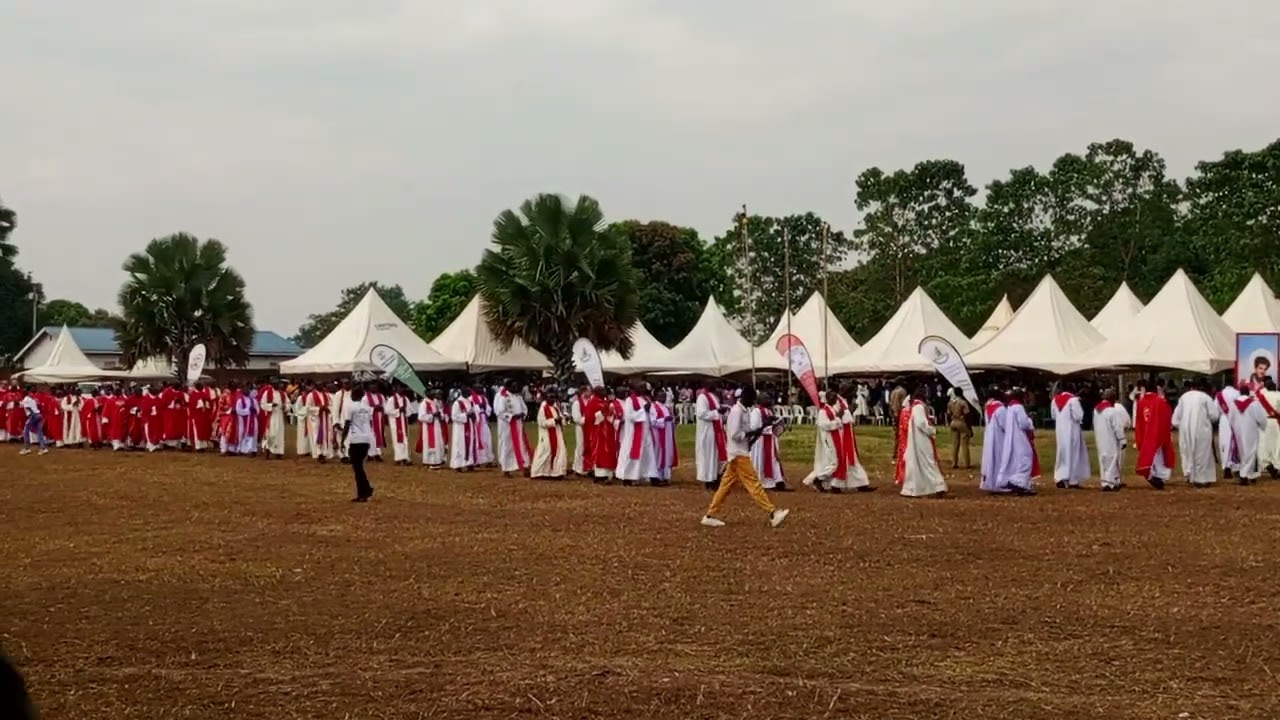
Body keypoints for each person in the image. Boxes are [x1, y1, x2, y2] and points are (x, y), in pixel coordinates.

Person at [700, 386, 790, 528]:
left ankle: (709, 515)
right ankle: (772, 512)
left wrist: (763, 426)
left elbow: (748, 432)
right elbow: (735, 434)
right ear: (745, 398)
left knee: (725, 486)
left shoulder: (744, 410)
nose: (753, 403)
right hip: (738, 454)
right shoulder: (736, 412)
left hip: (738, 453)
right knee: (753, 483)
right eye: (752, 400)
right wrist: (753, 432)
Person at [896, 385, 948, 498]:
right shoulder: (918, 406)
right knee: (928, 462)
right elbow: (921, 423)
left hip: (916, 439)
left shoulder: (915, 406)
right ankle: (938, 487)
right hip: (921, 439)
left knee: (916, 463)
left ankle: (913, 488)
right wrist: (932, 430)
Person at [1171, 378, 1220, 487]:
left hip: (1185, 429)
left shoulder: (1183, 397)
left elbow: (1175, 419)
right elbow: (1214, 415)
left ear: (1191, 387)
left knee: (1187, 452)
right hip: (1202, 429)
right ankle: (1200, 478)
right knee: (1202, 453)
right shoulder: (1205, 397)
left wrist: (1182, 426)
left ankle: (1189, 474)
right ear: (1201, 387)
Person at [995, 388, 1038, 495]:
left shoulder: (1010, 407)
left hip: (1012, 437)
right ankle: (1019, 482)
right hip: (1020, 437)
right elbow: (1023, 423)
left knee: (1017, 459)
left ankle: (1021, 483)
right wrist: (1030, 421)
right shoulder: (1018, 407)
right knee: (1026, 458)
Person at [1134, 379, 1175, 490]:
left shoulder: (1141, 402)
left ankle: (1151, 474)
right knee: (1160, 455)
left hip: (1146, 432)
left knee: (1149, 454)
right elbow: (1167, 415)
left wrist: (1139, 434)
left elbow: (1138, 420)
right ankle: (1159, 476)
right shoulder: (1160, 401)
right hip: (1158, 432)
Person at [616, 380, 657, 487]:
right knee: (632, 453)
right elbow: (630, 416)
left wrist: (650, 413)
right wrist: (644, 410)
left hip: (646, 431)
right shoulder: (630, 400)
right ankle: (628, 477)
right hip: (634, 433)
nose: (644, 389)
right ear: (635, 389)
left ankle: (652, 476)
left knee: (648, 454)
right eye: (641, 387)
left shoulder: (646, 399)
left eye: (645, 387)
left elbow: (653, 413)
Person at [340, 384, 375, 502]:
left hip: (356, 439)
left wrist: (342, 440)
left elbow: (347, 424)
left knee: (357, 467)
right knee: (359, 466)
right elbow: (370, 422)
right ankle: (366, 489)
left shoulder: (351, 407)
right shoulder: (367, 407)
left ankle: (363, 492)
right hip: (366, 438)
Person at [1051, 383, 1090, 489]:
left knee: (1062, 454)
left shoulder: (1055, 400)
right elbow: (1079, 416)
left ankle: (1061, 477)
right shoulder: (1073, 400)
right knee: (1074, 454)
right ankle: (1073, 480)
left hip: (1060, 431)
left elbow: (1053, 415)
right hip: (1072, 430)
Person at [1230, 385, 1269, 486]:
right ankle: (1246, 475)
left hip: (1238, 429)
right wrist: (1263, 426)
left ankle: (1248, 474)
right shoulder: (1254, 403)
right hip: (1250, 429)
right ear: (1248, 393)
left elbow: (1230, 418)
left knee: (1241, 452)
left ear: (1240, 393)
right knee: (1251, 451)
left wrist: (1233, 427)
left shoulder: (1234, 403)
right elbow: (1262, 418)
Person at [694, 380, 728, 491]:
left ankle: (715, 477)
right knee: (708, 455)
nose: (716, 386)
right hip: (707, 431)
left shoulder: (713, 397)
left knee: (716, 455)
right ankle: (708, 479)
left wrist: (721, 412)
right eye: (713, 384)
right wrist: (717, 412)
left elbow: (717, 412)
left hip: (716, 430)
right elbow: (701, 413)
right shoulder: (702, 398)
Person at [1093, 389, 1130, 491]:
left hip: (1100, 438)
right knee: (1113, 459)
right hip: (1110, 438)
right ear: (1112, 399)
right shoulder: (1111, 411)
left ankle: (1105, 482)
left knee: (1103, 460)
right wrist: (1122, 440)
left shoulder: (1096, 410)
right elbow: (1117, 427)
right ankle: (1112, 483)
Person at [749, 394, 787, 491]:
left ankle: (778, 482)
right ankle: (763, 482)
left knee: (774, 460)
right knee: (762, 462)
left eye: (769, 398)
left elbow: (773, 428)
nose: (769, 400)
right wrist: (768, 423)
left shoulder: (769, 411)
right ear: (759, 400)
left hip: (770, 439)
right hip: (761, 441)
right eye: (766, 398)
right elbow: (754, 427)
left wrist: (780, 425)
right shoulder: (756, 411)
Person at [494, 380, 532, 478]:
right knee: (508, 446)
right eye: (514, 386)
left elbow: (524, 408)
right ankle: (506, 469)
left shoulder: (518, 397)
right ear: (508, 387)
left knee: (521, 444)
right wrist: (512, 416)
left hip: (518, 424)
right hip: (507, 426)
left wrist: (523, 414)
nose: (516, 388)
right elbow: (499, 412)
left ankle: (524, 465)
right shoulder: (503, 397)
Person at [531, 386, 567, 479]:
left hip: (557, 433)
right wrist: (554, 421)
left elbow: (561, 417)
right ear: (546, 397)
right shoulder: (543, 408)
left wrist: (562, 419)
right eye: (550, 397)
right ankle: (538, 472)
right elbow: (541, 422)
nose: (552, 399)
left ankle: (556, 472)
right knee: (545, 452)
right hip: (546, 434)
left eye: (554, 397)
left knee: (560, 451)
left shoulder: (555, 407)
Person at [586, 386, 616, 484]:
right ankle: (599, 476)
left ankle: (608, 474)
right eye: (602, 390)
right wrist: (602, 413)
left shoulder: (604, 401)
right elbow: (590, 417)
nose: (605, 392)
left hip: (608, 430)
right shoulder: (593, 402)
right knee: (600, 452)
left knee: (608, 451)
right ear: (597, 392)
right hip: (598, 431)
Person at [979, 388, 1007, 492]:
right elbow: (1005, 425)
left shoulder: (988, 407)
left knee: (990, 459)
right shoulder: (1000, 409)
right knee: (999, 459)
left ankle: (989, 482)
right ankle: (999, 483)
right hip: (999, 437)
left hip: (989, 436)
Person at [650, 391, 677, 486]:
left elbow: (672, 419)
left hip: (668, 434)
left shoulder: (666, 407)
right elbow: (652, 421)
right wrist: (664, 420)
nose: (663, 398)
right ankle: (657, 477)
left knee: (667, 455)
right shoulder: (654, 407)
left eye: (664, 397)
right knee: (659, 455)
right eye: (661, 396)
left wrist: (672, 420)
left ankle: (665, 476)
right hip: (658, 435)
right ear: (656, 396)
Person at [1255, 378, 1280, 477]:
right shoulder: (1278, 395)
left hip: (1264, 421)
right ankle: (1276, 465)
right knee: (1277, 444)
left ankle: (1267, 464)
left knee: (1264, 444)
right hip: (1276, 421)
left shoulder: (1262, 396)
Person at [383, 385, 413, 465]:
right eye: (400, 388)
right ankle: (398, 458)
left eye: (403, 388)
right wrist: (398, 410)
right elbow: (387, 411)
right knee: (397, 440)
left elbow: (410, 411)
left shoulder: (405, 399)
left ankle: (406, 458)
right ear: (396, 389)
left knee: (405, 439)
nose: (402, 389)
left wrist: (405, 410)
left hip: (404, 421)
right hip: (395, 422)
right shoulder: (391, 399)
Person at [416, 390, 447, 468]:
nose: (433, 394)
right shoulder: (423, 404)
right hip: (428, 427)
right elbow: (421, 417)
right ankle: (430, 461)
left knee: (439, 443)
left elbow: (441, 413)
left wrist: (440, 415)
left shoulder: (435, 403)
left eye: (434, 393)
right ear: (426, 394)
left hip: (437, 425)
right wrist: (432, 415)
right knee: (431, 444)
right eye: (431, 393)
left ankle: (438, 460)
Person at [258, 381, 288, 459]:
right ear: (273, 385)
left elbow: (288, 403)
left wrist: (285, 406)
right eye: (277, 384)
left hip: (280, 415)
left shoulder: (283, 394)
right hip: (272, 416)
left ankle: (279, 452)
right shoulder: (267, 393)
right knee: (271, 433)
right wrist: (271, 405)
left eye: (279, 384)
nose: (279, 385)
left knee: (279, 434)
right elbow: (262, 404)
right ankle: (268, 451)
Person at [1216, 382, 1241, 478]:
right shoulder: (1237, 393)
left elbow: (1216, 410)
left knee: (1225, 444)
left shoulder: (1219, 395)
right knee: (1236, 443)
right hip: (1236, 419)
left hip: (1224, 420)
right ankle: (1237, 467)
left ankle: (1226, 468)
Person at [449, 388, 476, 471]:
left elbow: (473, 412)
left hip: (469, 425)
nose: (469, 395)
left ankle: (469, 463)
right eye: (467, 393)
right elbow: (454, 416)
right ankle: (458, 465)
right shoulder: (457, 403)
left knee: (470, 443)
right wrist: (466, 415)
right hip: (460, 428)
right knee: (459, 445)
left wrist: (473, 416)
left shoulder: (470, 402)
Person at [947, 389, 972, 469]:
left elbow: (948, 414)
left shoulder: (950, 402)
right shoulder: (963, 402)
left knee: (955, 444)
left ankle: (954, 463)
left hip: (953, 422)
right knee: (964, 444)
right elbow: (967, 414)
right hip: (961, 422)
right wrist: (969, 428)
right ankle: (967, 464)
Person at [18, 387, 48, 455]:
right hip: (39, 414)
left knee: (26, 431)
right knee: (39, 431)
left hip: (33, 416)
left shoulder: (26, 399)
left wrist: (33, 415)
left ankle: (26, 448)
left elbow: (29, 408)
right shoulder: (32, 399)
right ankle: (43, 448)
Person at [187, 382, 214, 452]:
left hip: (204, 416)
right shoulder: (193, 395)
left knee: (204, 430)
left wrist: (206, 403)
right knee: (197, 431)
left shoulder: (205, 394)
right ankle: (198, 446)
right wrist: (201, 403)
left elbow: (210, 404)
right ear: (197, 387)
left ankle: (204, 446)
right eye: (201, 386)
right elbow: (192, 406)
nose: (202, 387)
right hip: (197, 416)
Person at [570, 387, 590, 476]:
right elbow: (576, 418)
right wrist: (588, 419)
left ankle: (587, 466)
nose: (590, 392)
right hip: (581, 427)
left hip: (589, 428)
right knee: (580, 446)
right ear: (584, 392)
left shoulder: (589, 401)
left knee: (589, 447)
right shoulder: (577, 403)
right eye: (589, 391)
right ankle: (578, 468)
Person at [471, 388, 494, 466]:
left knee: (487, 439)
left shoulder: (484, 398)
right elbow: (471, 409)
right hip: (477, 421)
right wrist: (478, 407)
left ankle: (488, 459)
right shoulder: (471, 398)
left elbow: (489, 408)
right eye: (478, 387)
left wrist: (485, 408)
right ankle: (478, 460)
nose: (480, 389)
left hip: (484, 419)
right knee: (478, 439)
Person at [235, 386, 260, 456]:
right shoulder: (240, 401)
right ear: (242, 391)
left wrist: (254, 410)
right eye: (245, 390)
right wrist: (248, 411)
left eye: (248, 390)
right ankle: (241, 449)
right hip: (243, 420)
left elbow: (258, 410)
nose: (246, 391)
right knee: (242, 433)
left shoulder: (253, 400)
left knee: (254, 433)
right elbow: (238, 411)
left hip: (253, 420)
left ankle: (253, 449)